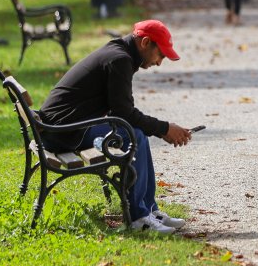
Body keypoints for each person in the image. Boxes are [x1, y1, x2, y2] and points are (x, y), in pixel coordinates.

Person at [38, 20, 194, 233]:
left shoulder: (119, 53)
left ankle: (149, 209)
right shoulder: (120, 59)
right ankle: (139, 219)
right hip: (63, 134)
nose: (160, 63)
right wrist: (164, 128)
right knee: (134, 135)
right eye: (161, 55)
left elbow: (120, 111)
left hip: (61, 128)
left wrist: (161, 129)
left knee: (138, 133)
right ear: (146, 42)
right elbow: (125, 114)